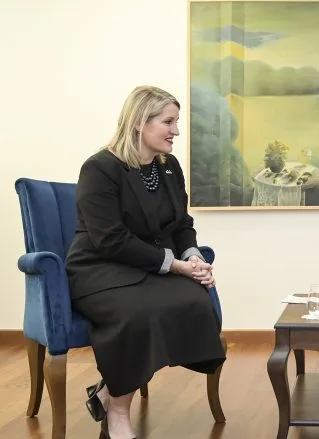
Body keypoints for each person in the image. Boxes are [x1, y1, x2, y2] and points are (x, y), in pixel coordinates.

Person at [66, 85, 226, 439]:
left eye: (176, 122)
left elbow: (182, 225)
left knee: (193, 300)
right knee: (138, 314)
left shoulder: (169, 168)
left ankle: (107, 392)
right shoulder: (100, 168)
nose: (176, 131)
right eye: (168, 122)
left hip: (148, 267)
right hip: (100, 270)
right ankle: (117, 416)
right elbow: (110, 240)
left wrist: (193, 256)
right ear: (140, 121)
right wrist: (176, 266)